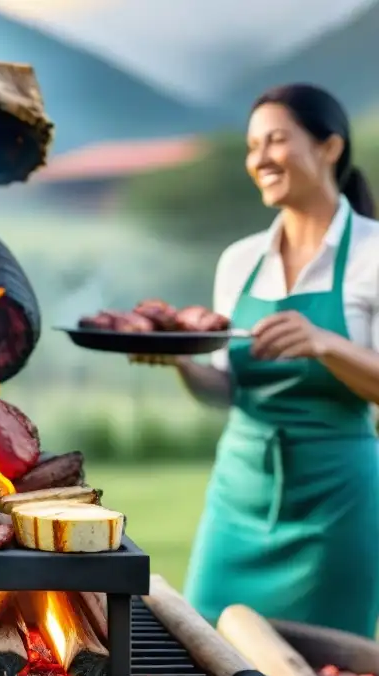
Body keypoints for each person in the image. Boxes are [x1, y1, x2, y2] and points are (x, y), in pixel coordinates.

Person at [133, 84, 379, 636]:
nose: (259, 159)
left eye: (275, 140)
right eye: (251, 146)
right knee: (208, 658)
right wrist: (177, 362)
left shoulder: (373, 254)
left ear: (330, 147)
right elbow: (227, 388)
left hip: (338, 505)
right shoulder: (239, 261)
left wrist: (326, 343)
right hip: (238, 496)